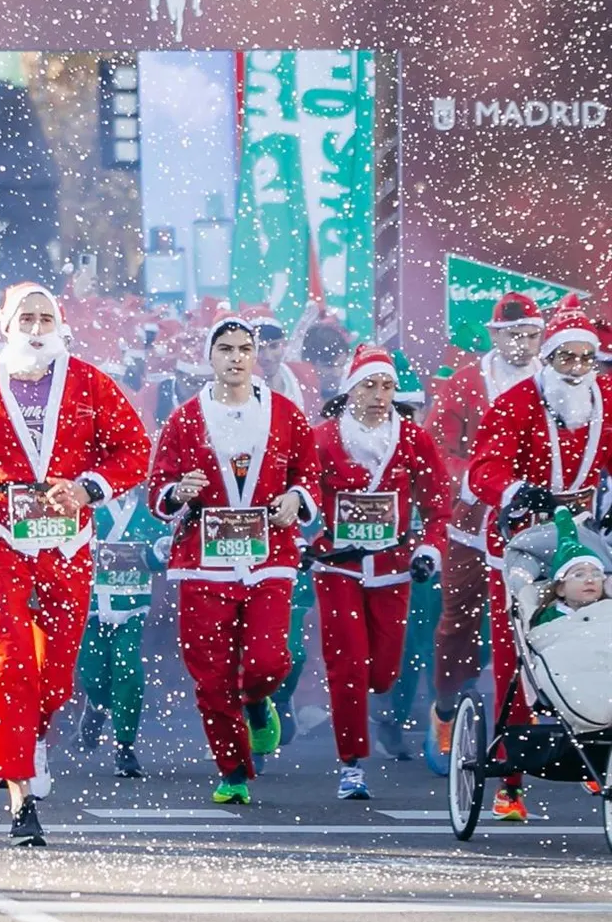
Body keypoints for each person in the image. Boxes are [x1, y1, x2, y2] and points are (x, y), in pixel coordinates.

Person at [0, 283, 151, 846]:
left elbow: (134, 450)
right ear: (5, 323)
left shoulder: (91, 383)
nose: (35, 326)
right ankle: (19, 793)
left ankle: (32, 736)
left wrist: (89, 487)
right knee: (8, 660)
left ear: (60, 324)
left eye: (45, 317)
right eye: (25, 317)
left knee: (56, 674)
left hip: (67, 541)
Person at [148, 316, 317, 808]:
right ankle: (233, 769)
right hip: (203, 560)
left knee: (269, 661)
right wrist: (177, 492)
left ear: (255, 355)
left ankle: (257, 700)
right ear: (210, 357)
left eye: (244, 348)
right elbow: (158, 488)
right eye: (225, 348)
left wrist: (296, 498)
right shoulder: (184, 418)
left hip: (268, 556)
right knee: (210, 674)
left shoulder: (285, 413)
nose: (236, 357)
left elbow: (308, 473)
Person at [464, 305, 612, 822]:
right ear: (547, 358)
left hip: (585, 540)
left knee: (599, 637)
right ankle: (510, 781)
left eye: (585, 358)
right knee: (518, 652)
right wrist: (514, 490)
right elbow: (484, 467)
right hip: (522, 540)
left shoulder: (606, 399)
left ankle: (596, 738)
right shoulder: (516, 402)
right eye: (565, 357)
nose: (575, 367)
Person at [309, 346, 451, 800]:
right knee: (347, 663)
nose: (378, 395)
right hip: (338, 567)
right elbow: (300, 495)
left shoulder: (413, 439)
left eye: (386, 386)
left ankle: (373, 700)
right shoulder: (322, 439)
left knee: (384, 672)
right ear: (349, 390)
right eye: (368, 385)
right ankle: (351, 764)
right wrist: (304, 542)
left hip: (392, 569)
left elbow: (438, 505)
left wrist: (428, 550)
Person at [423, 292, 542, 771]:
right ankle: (446, 709)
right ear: (495, 336)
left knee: (543, 619)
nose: (523, 345)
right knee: (460, 625)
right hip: (472, 528)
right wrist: (487, 482)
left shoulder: (551, 382)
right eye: (514, 335)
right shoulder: (467, 384)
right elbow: (438, 452)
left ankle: (549, 719)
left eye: (531, 335)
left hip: (535, 528)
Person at [73, 483, 170, 778]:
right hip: (89, 602)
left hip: (132, 602)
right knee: (91, 672)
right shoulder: (82, 500)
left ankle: (125, 746)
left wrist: (158, 553)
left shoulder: (149, 509)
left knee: (127, 668)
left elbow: (160, 553)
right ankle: (98, 705)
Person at [532, 510, 607, 627]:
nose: (590, 580)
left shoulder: (607, 611)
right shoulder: (549, 619)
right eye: (579, 575)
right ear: (561, 589)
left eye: (596, 575)